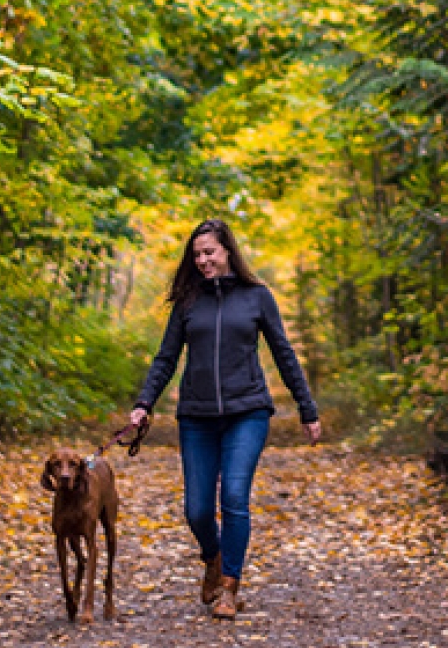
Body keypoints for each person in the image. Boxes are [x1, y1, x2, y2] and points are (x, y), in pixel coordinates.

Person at [128, 219, 320, 621]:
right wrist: (144, 403)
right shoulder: (187, 302)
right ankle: (213, 559)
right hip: (196, 416)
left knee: (234, 497)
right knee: (197, 510)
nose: (202, 261)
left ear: (227, 251)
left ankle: (229, 587)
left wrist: (307, 408)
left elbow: (284, 354)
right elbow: (166, 357)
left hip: (247, 412)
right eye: (196, 254)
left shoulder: (257, 297)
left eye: (209, 252)